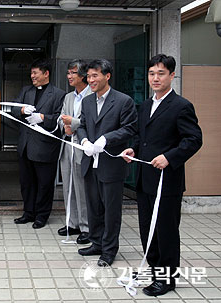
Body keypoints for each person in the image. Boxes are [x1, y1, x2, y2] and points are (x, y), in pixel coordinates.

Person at [121, 54, 202, 296]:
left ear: (172, 75)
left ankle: (167, 280)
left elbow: (194, 140)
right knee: (147, 229)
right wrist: (132, 148)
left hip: (168, 182)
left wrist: (170, 156)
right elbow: (142, 137)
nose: (155, 78)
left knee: (165, 232)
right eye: (151, 73)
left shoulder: (181, 106)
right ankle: (155, 271)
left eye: (161, 73)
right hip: (145, 180)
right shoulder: (146, 105)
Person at [77, 59, 137, 267]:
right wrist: (84, 140)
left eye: (95, 76)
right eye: (89, 76)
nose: (91, 80)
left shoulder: (123, 101)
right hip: (90, 161)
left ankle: (109, 250)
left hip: (111, 165)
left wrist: (106, 139)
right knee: (94, 207)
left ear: (107, 76)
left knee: (111, 211)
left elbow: (130, 128)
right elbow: (81, 124)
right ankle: (96, 242)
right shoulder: (86, 101)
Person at [11, 59, 65, 229]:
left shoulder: (58, 94)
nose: (32, 76)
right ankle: (28, 213)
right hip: (26, 146)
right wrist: (21, 110)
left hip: (45, 148)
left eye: (35, 73)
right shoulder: (26, 91)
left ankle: (42, 215)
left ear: (46, 73)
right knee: (27, 182)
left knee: (44, 184)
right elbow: (13, 108)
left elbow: (60, 119)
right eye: (32, 73)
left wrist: (43, 118)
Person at [57, 59, 92, 244]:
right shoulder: (69, 97)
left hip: (83, 147)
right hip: (67, 145)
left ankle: (86, 227)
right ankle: (72, 222)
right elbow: (61, 117)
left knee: (82, 188)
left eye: (73, 73)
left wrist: (73, 124)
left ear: (83, 76)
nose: (69, 76)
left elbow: (90, 122)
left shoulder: (92, 95)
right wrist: (65, 125)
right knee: (68, 186)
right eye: (68, 73)